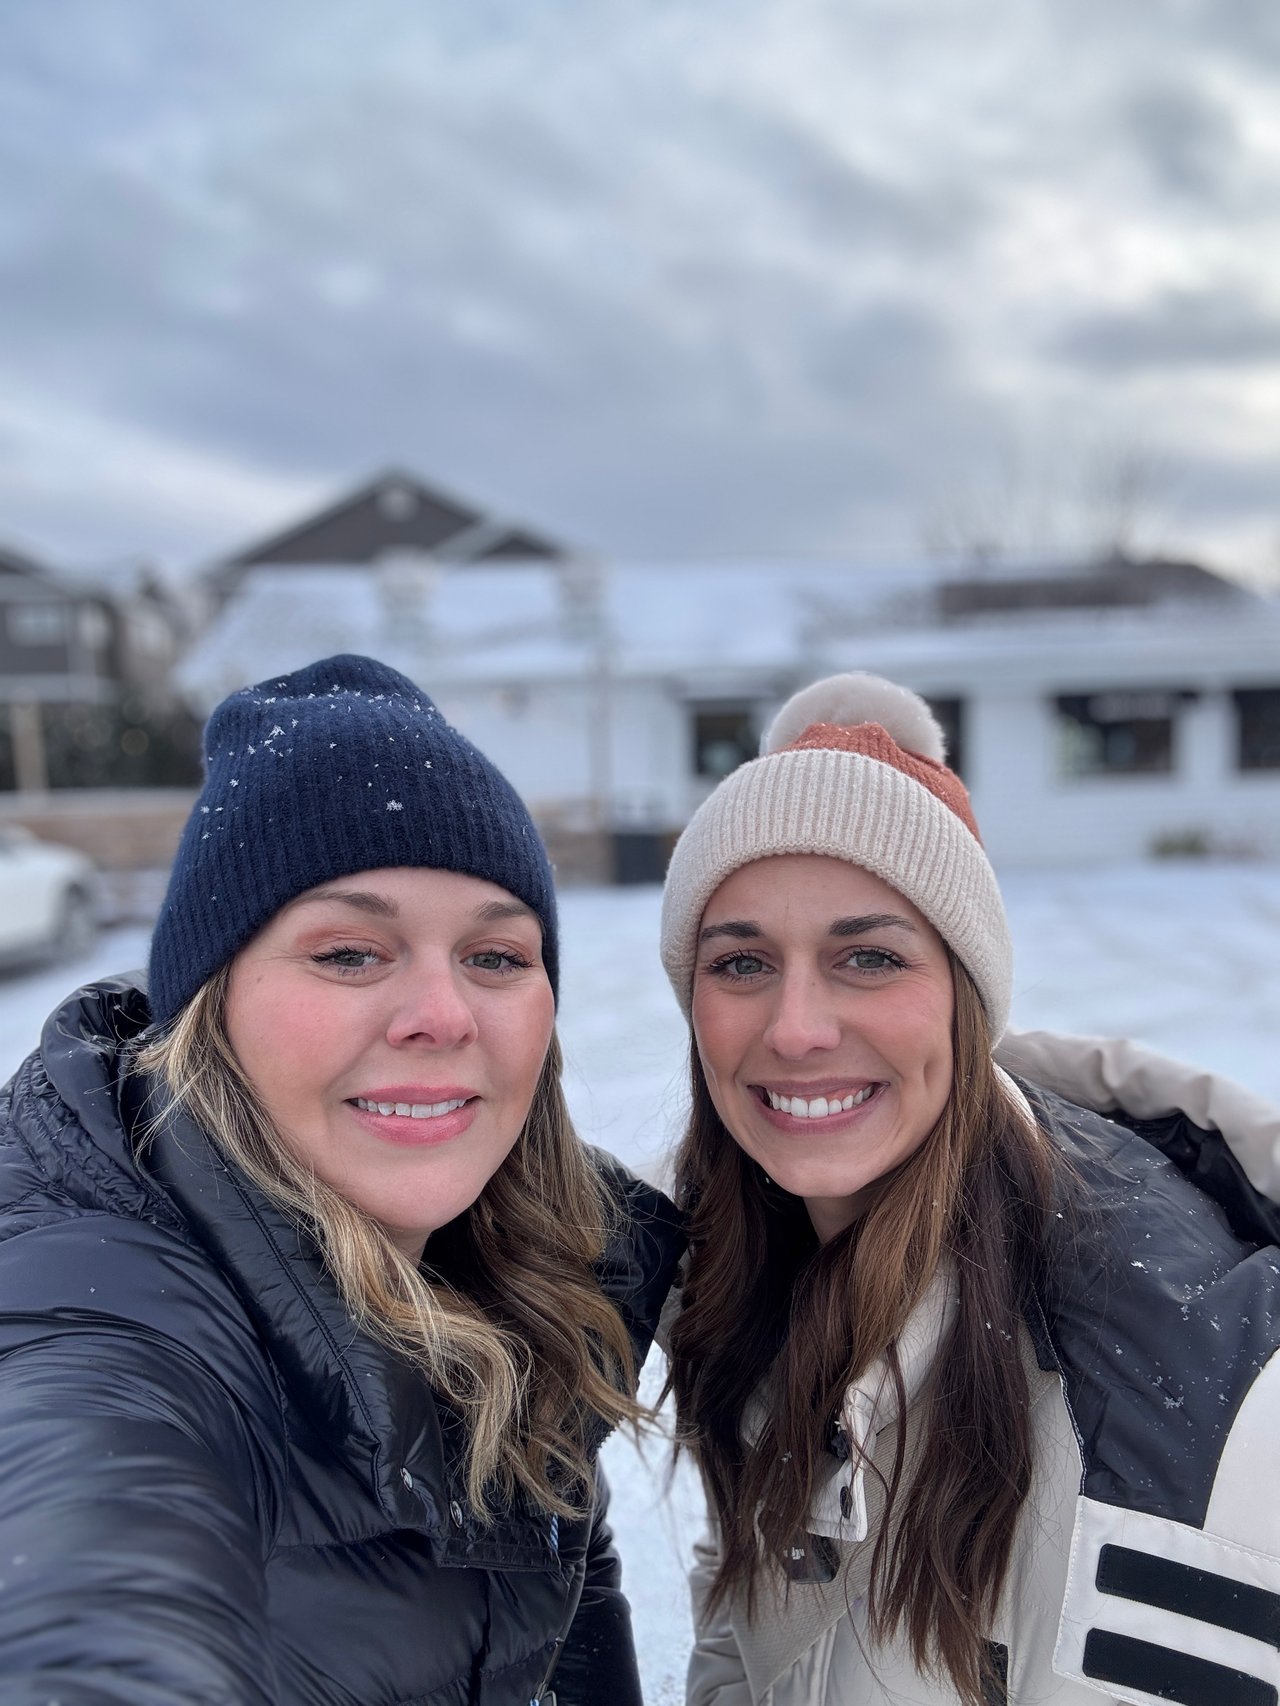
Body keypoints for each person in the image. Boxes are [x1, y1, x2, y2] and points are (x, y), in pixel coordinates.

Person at [0, 653, 683, 1706]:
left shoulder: (538, 1284)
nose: (443, 1013)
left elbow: (570, 1612)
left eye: (495, 955)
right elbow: (85, 1558)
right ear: (210, 1003)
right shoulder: (101, 1311)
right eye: (350, 952)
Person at [658, 672, 1280, 1706]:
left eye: (867, 955)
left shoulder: (1163, 1400)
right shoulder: (743, 1263)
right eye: (739, 962)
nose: (796, 1026)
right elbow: (746, 1640)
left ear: (964, 999)